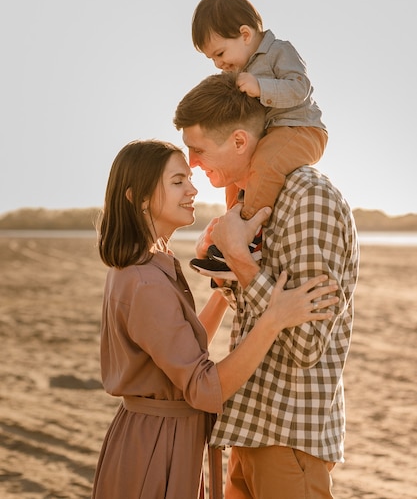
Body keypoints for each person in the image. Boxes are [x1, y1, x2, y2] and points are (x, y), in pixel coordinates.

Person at [91, 139, 339, 499]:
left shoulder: (147, 264)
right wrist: (274, 318)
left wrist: (224, 290)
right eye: (178, 182)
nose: (193, 189)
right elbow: (205, 387)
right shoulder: (144, 281)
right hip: (156, 449)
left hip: (155, 436)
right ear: (139, 197)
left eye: (190, 179)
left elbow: (182, 350)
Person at [173, 73, 359, 499]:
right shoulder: (253, 202)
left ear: (240, 141)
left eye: (198, 149)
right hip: (254, 430)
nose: (193, 163)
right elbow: (267, 311)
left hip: (289, 439)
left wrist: (239, 258)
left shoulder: (308, 197)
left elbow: (307, 344)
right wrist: (228, 273)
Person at [190, 0, 328, 280]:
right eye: (210, 59)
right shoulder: (239, 67)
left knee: (265, 163)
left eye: (219, 53)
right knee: (234, 173)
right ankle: (230, 228)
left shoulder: (280, 51)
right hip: (271, 134)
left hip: (300, 128)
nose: (218, 63)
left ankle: (249, 238)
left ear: (244, 34)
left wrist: (260, 86)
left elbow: (300, 87)